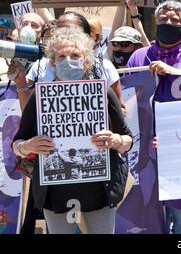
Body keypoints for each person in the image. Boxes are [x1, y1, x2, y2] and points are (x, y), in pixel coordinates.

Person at [11, 27, 133, 234]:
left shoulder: (103, 92)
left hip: (99, 192)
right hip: (55, 194)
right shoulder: (40, 97)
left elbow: (128, 139)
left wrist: (115, 140)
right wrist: (27, 146)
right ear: (53, 63)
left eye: (75, 55)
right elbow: (17, 144)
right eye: (62, 56)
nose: (68, 60)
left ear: (87, 60)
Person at [127, 0, 181, 234]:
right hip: (145, 152)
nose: (169, 23)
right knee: (149, 218)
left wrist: (172, 72)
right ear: (155, 23)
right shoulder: (139, 57)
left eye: (175, 21)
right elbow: (126, 98)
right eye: (164, 19)